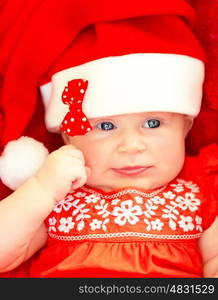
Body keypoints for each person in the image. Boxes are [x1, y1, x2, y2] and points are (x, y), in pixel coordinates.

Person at [0, 0, 218, 278]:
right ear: (69, 136)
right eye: (105, 126)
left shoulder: (198, 195)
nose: (131, 146)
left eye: (152, 123)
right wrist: (41, 189)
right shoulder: (58, 199)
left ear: (185, 129)